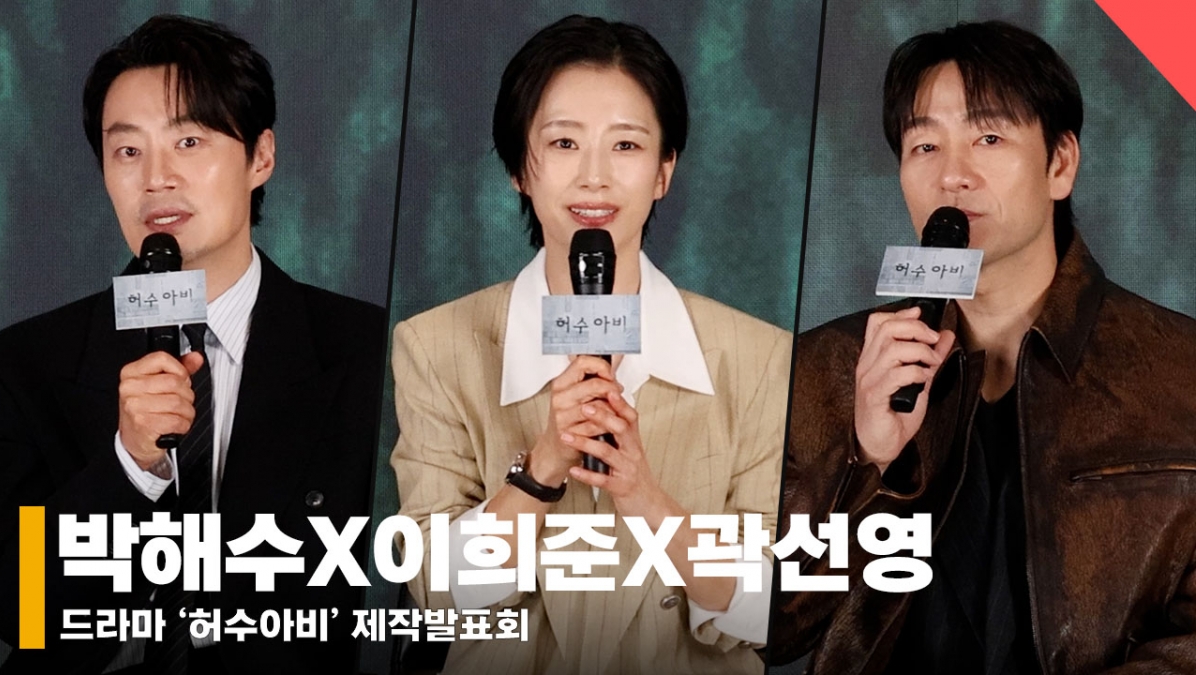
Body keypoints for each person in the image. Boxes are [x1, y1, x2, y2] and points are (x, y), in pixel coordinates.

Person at [772, 20, 1196, 673]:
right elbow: (769, 625)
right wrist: (865, 459)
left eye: (989, 138)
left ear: (1060, 164)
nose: (953, 176)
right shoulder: (824, 369)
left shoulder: (1179, 369)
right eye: (924, 145)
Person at [391, 15, 791, 675]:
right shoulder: (435, 345)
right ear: (520, 168)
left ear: (664, 170)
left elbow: (771, 608)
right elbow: (434, 588)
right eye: (564, 142)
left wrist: (645, 498)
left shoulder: (760, 356)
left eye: (626, 145)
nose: (595, 178)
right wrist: (541, 466)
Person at [0, 15, 384, 674]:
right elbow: (18, 614)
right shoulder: (25, 361)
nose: (157, 178)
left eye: (189, 141)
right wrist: (131, 465)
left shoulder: (370, 347)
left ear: (260, 157)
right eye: (128, 151)